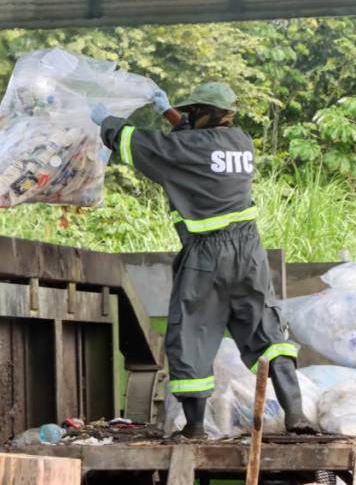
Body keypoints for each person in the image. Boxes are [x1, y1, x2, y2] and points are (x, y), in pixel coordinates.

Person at [91, 82, 316, 438]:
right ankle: (296, 414)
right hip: (250, 254)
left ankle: (195, 427)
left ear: (206, 113)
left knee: (190, 333)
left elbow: (153, 146)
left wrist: (107, 123)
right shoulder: (241, 142)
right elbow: (192, 145)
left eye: (193, 112)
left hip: (207, 256)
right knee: (267, 330)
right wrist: (169, 113)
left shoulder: (190, 149)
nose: (189, 118)